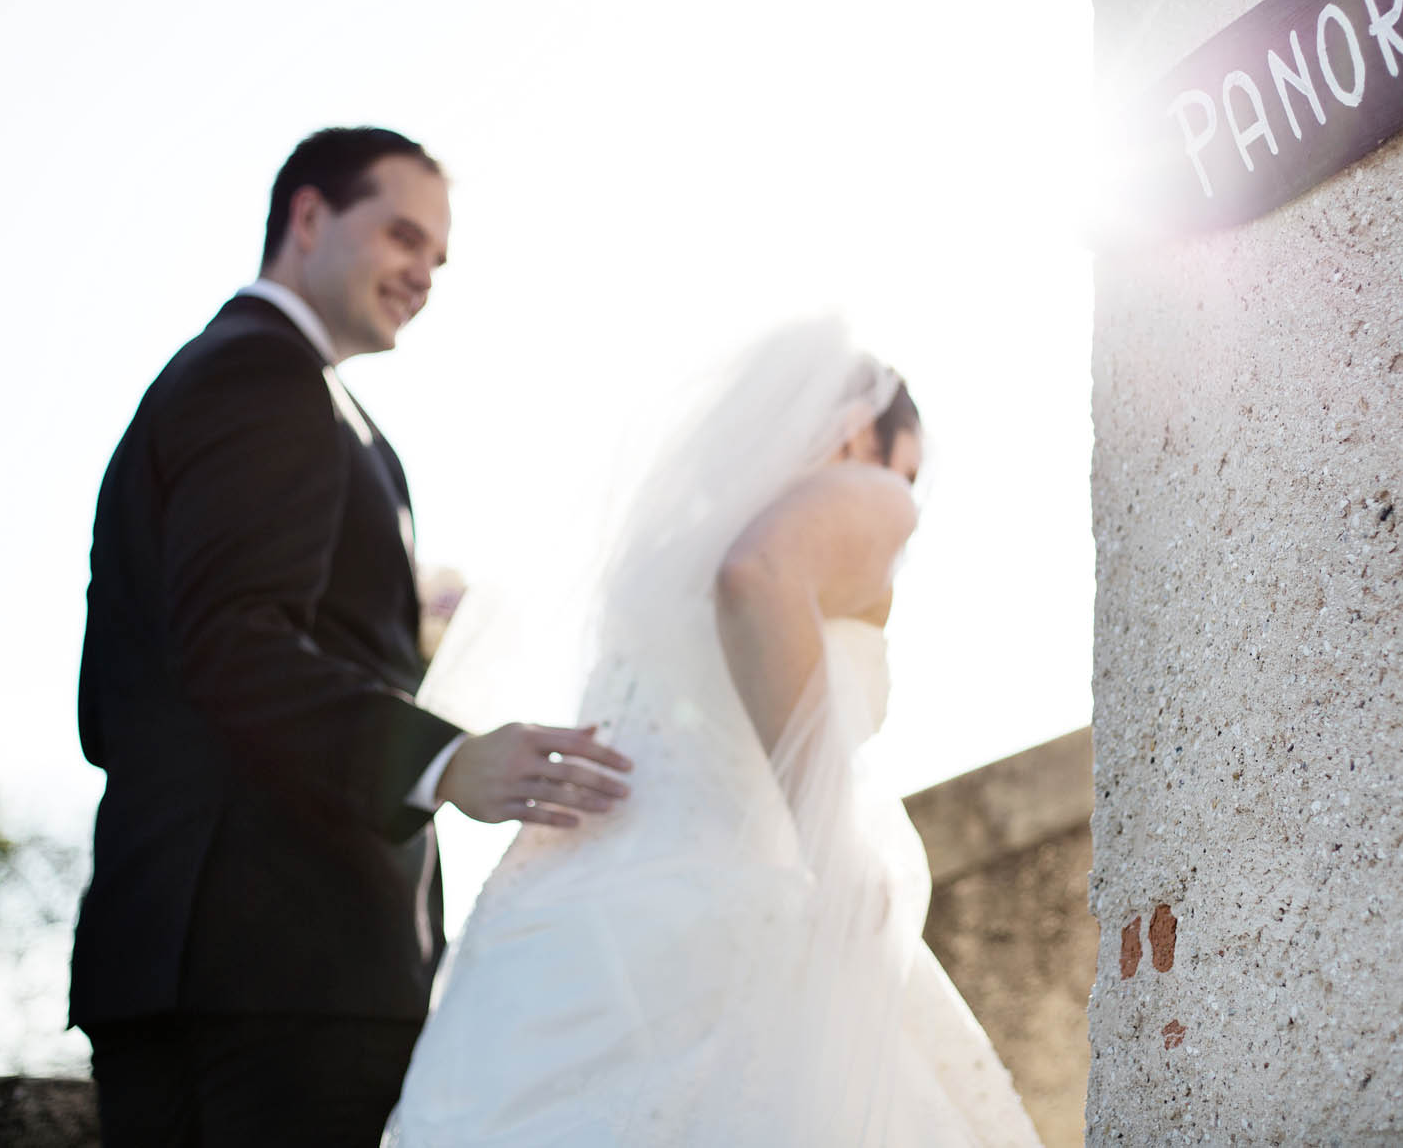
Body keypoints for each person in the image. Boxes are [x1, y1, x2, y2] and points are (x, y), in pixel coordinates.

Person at [70, 127, 633, 1147]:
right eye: (402, 236)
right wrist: (445, 758)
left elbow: (121, 699)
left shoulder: (217, 377)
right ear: (308, 215)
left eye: (439, 258)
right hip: (288, 973)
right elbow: (236, 644)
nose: (424, 274)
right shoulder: (267, 376)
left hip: (173, 951)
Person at [386, 321, 1043, 1147]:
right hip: (712, 930)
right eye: (900, 467)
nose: (899, 496)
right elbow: (756, 574)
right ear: (855, 433)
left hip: (545, 940)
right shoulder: (869, 496)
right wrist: (831, 842)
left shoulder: (661, 551)